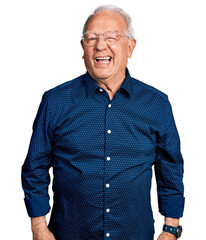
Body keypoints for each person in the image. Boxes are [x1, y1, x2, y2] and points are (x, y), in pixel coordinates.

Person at [21, 5, 185, 240]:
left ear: (130, 47)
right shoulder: (55, 102)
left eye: (111, 37)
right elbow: (34, 168)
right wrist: (39, 227)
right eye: (92, 38)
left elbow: (170, 168)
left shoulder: (156, 105)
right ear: (83, 48)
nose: (100, 45)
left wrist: (170, 229)